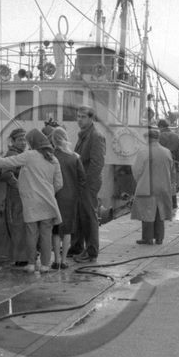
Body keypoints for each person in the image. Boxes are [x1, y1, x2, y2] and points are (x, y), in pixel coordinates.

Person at [0, 129, 63, 272]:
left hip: (31, 202)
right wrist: (49, 192)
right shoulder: (54, 159)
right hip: (48, 202)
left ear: (33, 142)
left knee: (31, 233)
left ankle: (31, 264)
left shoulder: (30, 155)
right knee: (46, 235)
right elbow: (59, 184)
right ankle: (45, 265)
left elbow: (7, 162)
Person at [71, 105, 106, 263]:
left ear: (91, 118)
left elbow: (97, 163)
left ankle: (91, 251)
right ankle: (77, 246)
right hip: (82, 182)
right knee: (79, 215)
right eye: (78, 116)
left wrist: (87, 184)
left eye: (83, 117)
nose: (79, 119)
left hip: (88, 183)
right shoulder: (84, 135)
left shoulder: (95, 136)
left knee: (89, 216)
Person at [131, 129, 176, 245]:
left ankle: (148, 238)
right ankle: (159, 238)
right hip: (163, 186)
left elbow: (137, 170)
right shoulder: (167, 152)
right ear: (158, 138)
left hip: (147, 186)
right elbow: (172, 169)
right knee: (160, 212)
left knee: (147, 212)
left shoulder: (143, 152)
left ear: (147, 138)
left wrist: (139, 181)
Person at [50, 127, 85, 270]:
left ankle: (56, 261)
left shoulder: (50, 156)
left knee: (56, 229)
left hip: (55, 196)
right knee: (68, 230)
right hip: (71, 197)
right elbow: (82, 179)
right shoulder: (75, 157)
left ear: (53, 140)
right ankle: (64, 261)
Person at [1, 128, 29, 266]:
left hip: (20, 195)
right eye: (20, 140)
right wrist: (19, 186)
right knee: (19, 225)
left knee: (21, 225)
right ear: (13, 141)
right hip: (16, 195)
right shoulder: (12, 154)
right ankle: (21, 258)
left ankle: (22, 256)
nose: (23, 142)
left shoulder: (19, 154)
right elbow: (6, 173)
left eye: (25, 139)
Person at [157, 119, 179, 208]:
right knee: (172, 182)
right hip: (173, 161)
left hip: (162, 162)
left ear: (160, 127)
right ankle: (174, 202)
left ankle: (164, 203)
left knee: (162, 182)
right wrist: (178, 163)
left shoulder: (159, 136)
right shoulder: (176, 136)